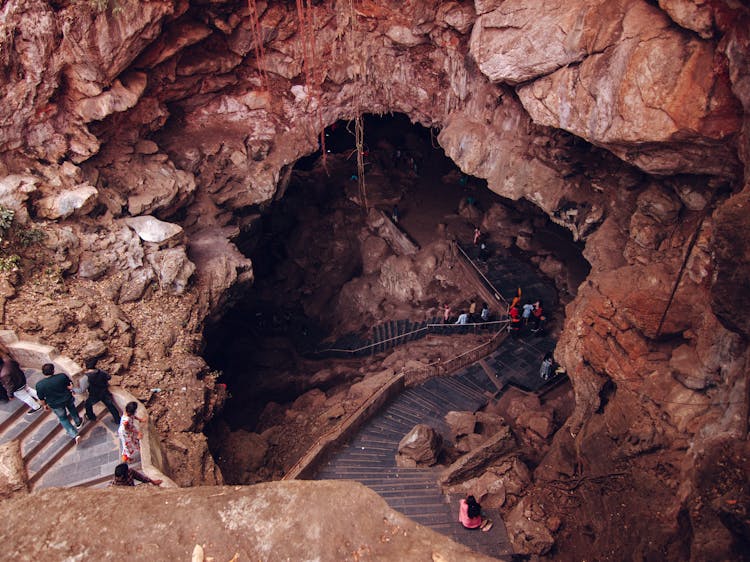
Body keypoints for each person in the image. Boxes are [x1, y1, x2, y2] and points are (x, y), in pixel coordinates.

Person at [36, 363, 82, 444]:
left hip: (55, 404)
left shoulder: (40, 385)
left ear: (43, 372)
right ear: (53, 370)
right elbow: (70, 386)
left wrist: (44, 405)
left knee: (63, 418)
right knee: (72, 409)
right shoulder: (62, 376)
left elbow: (41, 398)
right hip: (67, 398)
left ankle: (74, 434)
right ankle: (78, 422)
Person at [80, 357, 121, 424]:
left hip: (94, 395)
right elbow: (109, 377)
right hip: (104, 392)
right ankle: (117, 419)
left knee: (87, 405)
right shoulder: (101, 372)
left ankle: (91, 417)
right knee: (111, 406)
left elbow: (82, 389)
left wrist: (73, 388)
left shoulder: (86, 377)